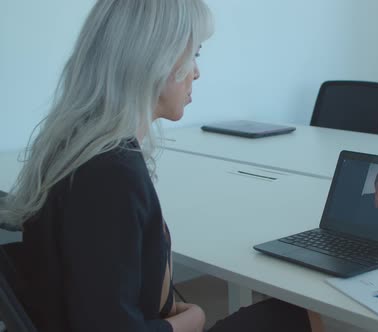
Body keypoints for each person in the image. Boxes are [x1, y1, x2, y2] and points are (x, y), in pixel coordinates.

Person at [0, 1, 323, 331]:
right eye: (194, 54)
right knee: (302, 316)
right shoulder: (111, 173)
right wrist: (189, 322)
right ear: (156, 60)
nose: (197, 72)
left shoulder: (74, 144)